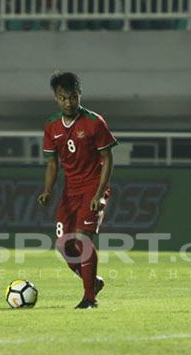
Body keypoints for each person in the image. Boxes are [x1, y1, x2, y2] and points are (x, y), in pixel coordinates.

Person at [37, 71, 117, 309]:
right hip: (69, 191)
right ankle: (92, 282)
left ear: (80, 95)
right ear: (56, 98)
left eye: (73, 97)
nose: (69, 103)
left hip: (92, 187)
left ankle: (89, 298)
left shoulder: (94, 122)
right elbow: (52, 163)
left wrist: (99, 193)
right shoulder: (52, 126)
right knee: (63, 246)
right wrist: (48, 191)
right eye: (63, 97)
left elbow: (108, 157)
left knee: (83, 239)